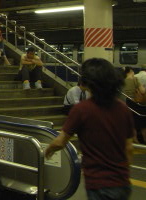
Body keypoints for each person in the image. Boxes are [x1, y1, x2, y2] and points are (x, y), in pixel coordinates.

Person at [46, 58, 134, 200]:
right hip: (122, 183)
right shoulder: (123, 109)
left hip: (98, 183)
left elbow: (60, 142)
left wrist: (47, 150)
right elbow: (129, 148)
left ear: (88, 82)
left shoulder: (82, 109)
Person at [123, 67, 146, 144]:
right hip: (136, 102)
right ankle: (145, 139)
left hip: (127, 102)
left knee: (132, 122)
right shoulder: (135, 79)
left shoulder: (122, 81)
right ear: (130, 71)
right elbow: (143, 91)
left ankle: (135, 139)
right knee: (143, 123)